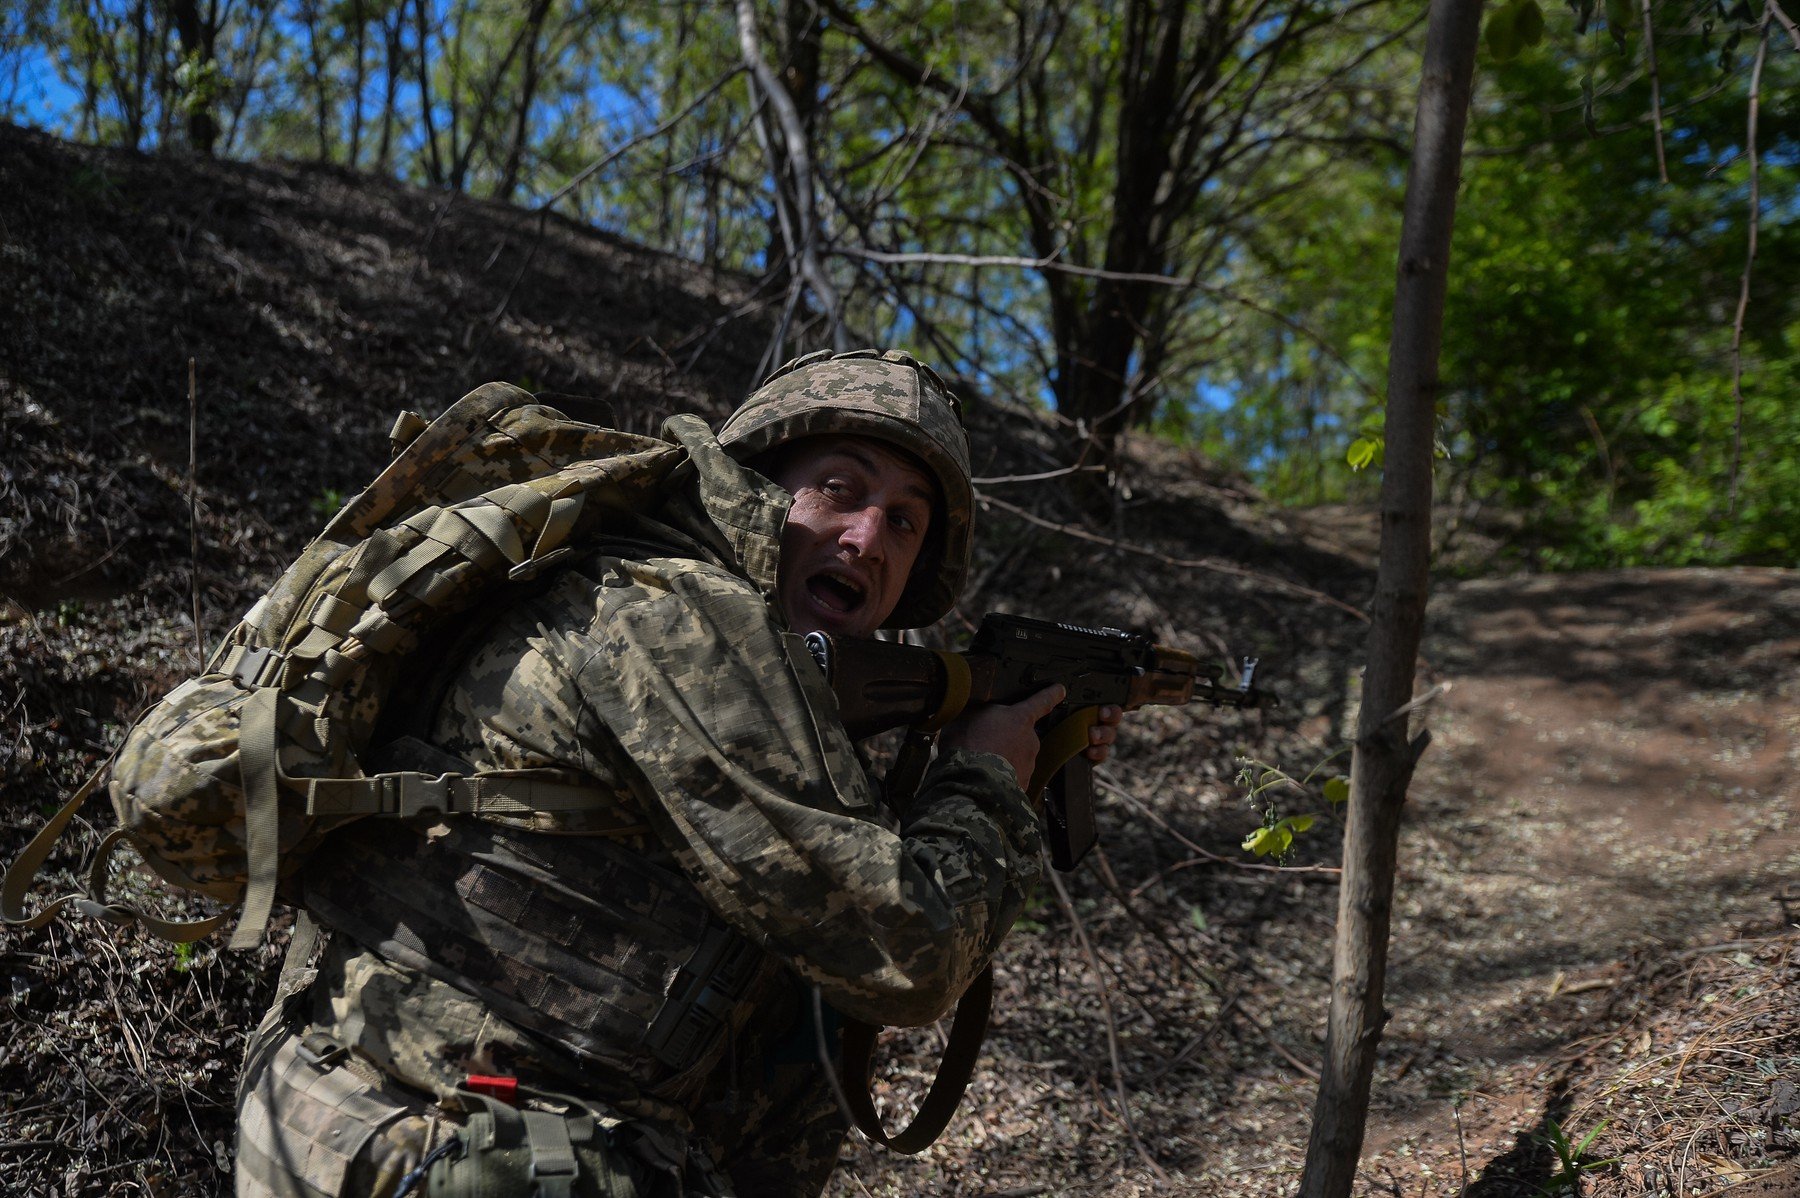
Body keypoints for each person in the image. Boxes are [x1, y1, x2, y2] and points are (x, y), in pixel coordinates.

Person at [233, 348, 1121, 1198]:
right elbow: (904, 954)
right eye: (840, 489)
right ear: (756, 481)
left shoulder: (635, 581)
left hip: (359, 1109)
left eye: (904, 520)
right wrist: (984, 777)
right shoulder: (684, 622)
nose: (866, 538)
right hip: (471, 1143)